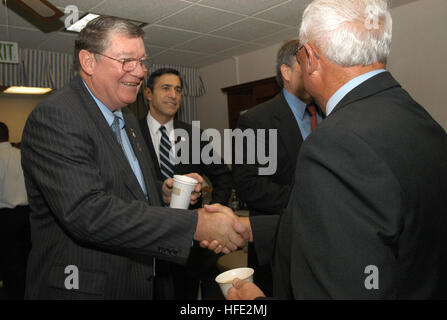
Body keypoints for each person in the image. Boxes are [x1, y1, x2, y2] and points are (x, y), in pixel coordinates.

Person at [227, 0, 447, 299]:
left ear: (312, 59)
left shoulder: (334, 143)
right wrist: (254, 229)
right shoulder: (426, 123)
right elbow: (365, 223)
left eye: (302, 54)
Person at [20, 15, 248, 300]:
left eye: (142, 61)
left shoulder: (125, 117)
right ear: (89, 62)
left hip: (141, 279)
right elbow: (88, 212)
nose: (140, 72)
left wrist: (159, 190)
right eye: (127, 61)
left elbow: (120, 184)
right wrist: (195, 225)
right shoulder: (57, 116)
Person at [231, 39, 323, 296]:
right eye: (306, 66)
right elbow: (249, 185)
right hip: (278, 244)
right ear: (286, 72)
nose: (313, 72)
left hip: (323, 243)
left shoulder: (326, 113)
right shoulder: (256, 120)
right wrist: (305, 203)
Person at [139, 67, 233, 299]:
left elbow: (224, 175)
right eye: (166, 88)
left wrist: (210, 213)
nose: (173, 95)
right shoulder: (130, 133)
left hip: (188, 245)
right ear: (148, 94)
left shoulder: (194, 135)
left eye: (178, 90)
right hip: (145, 240)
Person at [0, 122, 31, 300]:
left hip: (4, 217)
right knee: (27, 259)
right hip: (27, 215)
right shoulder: (22, 155)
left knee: (9, 263)